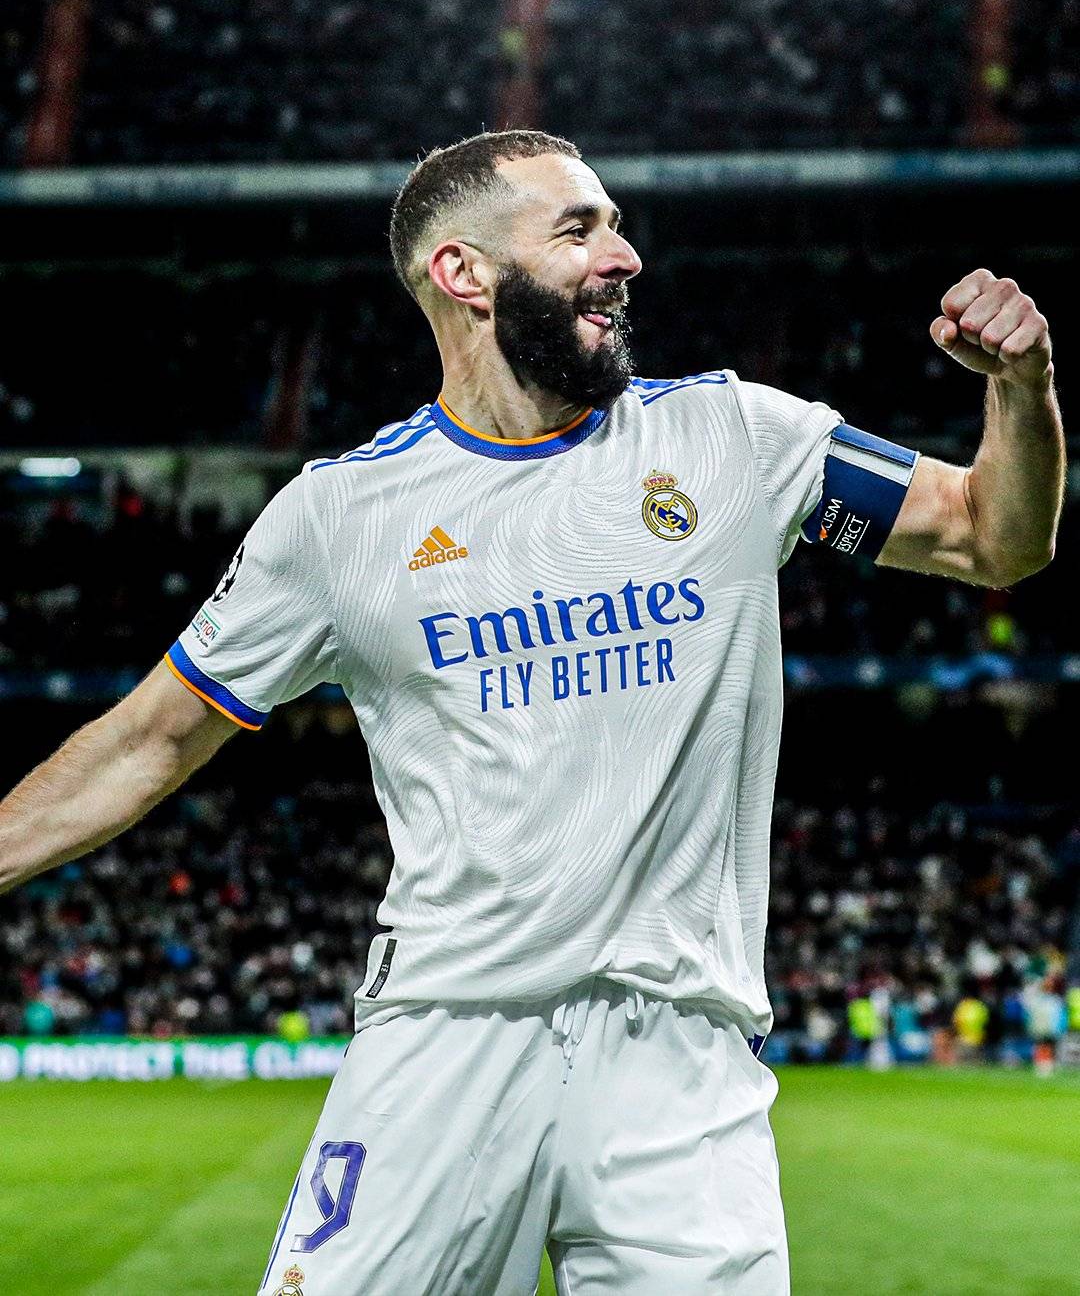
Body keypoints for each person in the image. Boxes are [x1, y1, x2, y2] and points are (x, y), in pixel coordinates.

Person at [0, 130, 1063, 1295]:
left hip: (681, 1065)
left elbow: (993, 537)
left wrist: (1022, 392)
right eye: (580, 229)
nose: (626, 257)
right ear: (463, 272)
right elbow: (148, 739)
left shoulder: (733, 437)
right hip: (444, 1044)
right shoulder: (337, 518)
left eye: (617, 226)